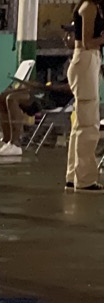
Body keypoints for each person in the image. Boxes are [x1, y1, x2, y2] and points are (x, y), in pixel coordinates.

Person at [65, 0, 104, 190]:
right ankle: (85, 179)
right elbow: (87, 42)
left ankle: (74, 175)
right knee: (88, 123)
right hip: (85, 59)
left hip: (89, 61)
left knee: (81, 122)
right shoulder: (89, 7)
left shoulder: (91, 6)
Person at [0, 77, 71, 157]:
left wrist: (47, 87)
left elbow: (72, 88)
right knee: (0, 98)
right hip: (46, 91)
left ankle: (15, 144)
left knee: (12, 99)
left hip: (55, 98)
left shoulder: (79, 69)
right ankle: (5, 140)